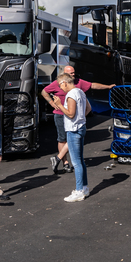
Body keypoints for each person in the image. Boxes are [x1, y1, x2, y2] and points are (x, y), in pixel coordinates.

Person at [42, 66, 111, 174]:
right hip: (60, 114)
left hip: (72, 116)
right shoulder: (57, 83)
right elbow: (44, 92)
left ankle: (59, 158)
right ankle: (65, 162)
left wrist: (108, 87)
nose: (73, 75)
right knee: (62, 139)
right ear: (64, 76)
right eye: (70, 74)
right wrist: (51, 103)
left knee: (73, 137)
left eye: (74, 73)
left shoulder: (78, 83)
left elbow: (92, 85)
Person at [52, 73, 90, 202]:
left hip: (73, 130)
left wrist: (59, 104)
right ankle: (84, 187)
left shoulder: (71, 94)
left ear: (64, 83)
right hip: (81, 127)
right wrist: (81, 118)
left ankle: (79, 190)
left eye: (60, 85)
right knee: (81, 161)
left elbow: (71, 114)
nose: (60, 88)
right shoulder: (81, 92)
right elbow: (88, 108)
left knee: (76, 162)